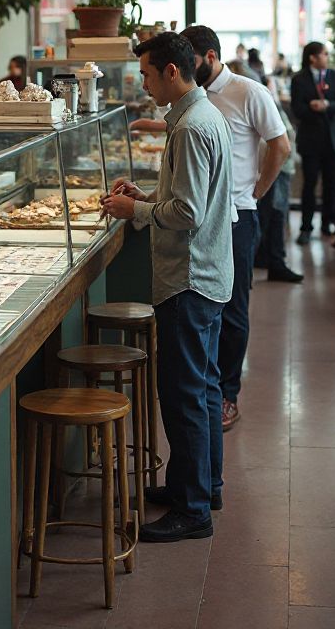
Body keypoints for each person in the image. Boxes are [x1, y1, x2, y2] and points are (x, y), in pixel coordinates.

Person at [100, 32, 233, 543]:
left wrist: (135, 209)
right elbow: (184, 195)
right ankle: (201, 486)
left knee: (183, 397)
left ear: (172, 72)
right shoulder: (200, 116)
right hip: (208, 273)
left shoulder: (191, 127)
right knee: (204, 388)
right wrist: (147, 194)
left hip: (189, 278)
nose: (144, 84)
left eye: (147, 75)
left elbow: (188, 212)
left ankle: (192, 510)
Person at [181, 25, 290, 432]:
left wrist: (256, 191)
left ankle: (228, 393)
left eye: (191, 59)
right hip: (199, 214)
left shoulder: (249, 92)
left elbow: (280, 145)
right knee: (202, 302)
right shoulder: (194, 95)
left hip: (237, 215)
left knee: (233, 307)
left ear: (210, 57)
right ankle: (206, 386)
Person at [290, 42, 335, 243]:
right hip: (311, 141)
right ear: (313, 58)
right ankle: (306, 227)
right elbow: (297, 109)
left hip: (334, 141)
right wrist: (312, 107)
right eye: (324, 54)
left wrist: (327, 105)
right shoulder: (299, 79)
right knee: (309, 185)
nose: (327, 57)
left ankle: (328, 222)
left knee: (332, 185)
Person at [256, 89, 303, 283]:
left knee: (272, 214)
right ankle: (274, 261)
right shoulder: (264, 100)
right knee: (275, 214)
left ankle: (266, 257)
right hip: (276, 167)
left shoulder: (263, 100)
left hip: (277, 166)